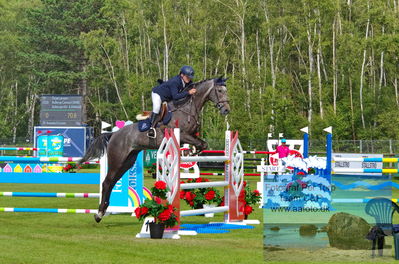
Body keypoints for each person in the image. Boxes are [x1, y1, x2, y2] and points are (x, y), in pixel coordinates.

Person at [148, 65, 197, 137]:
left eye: (190, 77)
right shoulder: (175, 82)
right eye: (187, 77)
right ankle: (151, 128)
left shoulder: (186, 81)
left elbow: (193, 85)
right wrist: (188, 93)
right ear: (182, 75)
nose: (189, 79)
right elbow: (176, 96)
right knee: (157, 108)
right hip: (158, 94)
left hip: (168, 96)